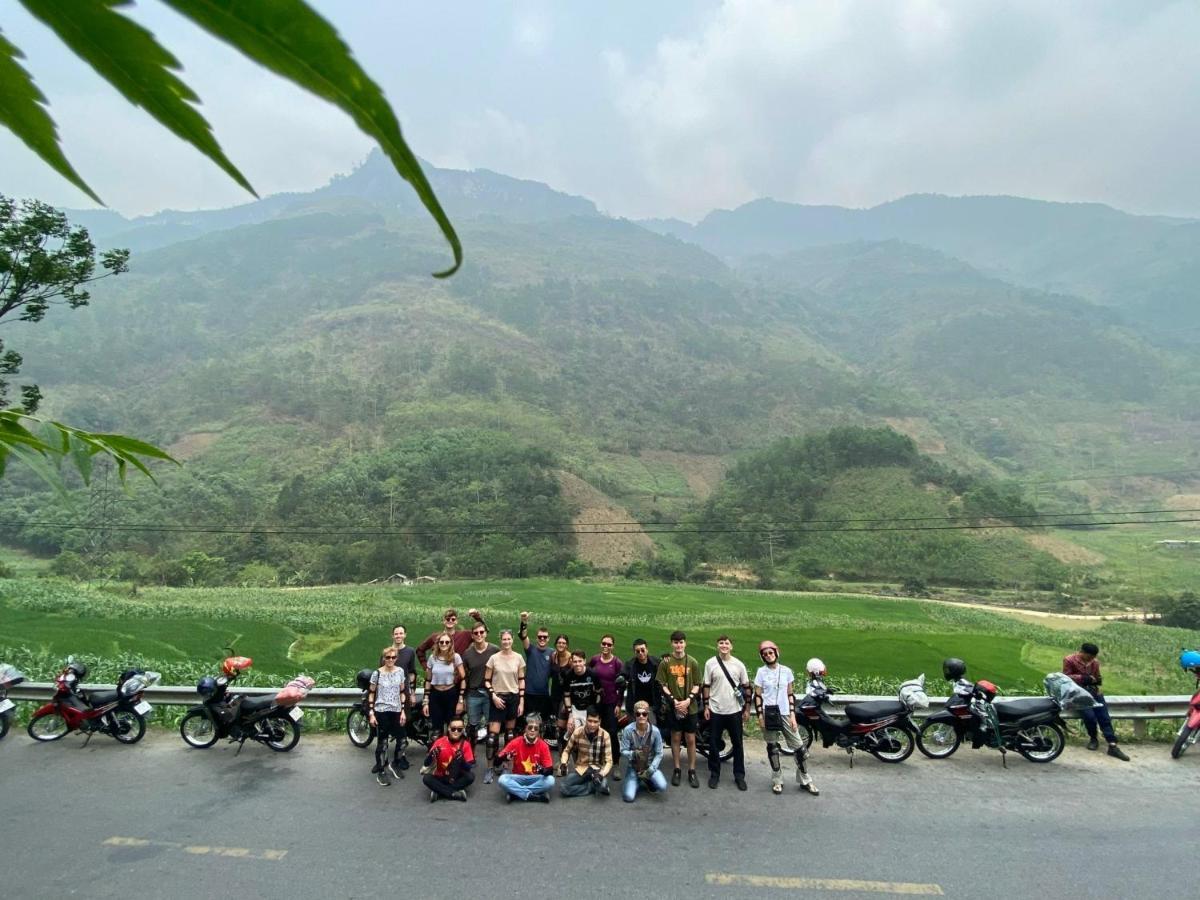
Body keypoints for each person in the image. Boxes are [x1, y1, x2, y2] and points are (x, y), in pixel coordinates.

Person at [753, 640, 818, 796]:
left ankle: (805, 779)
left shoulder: (787, 671)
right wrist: (760, 717)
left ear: (776, 652)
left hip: (784, 713)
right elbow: (758, 695)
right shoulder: (761, 672)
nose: (768, 656)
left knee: (800, 748)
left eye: (771, 652)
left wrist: (793, 716)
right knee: (772, 747)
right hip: (768, 714)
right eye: (765, 654)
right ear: (762, 657)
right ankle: (777, 780)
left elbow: (790, 694)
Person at [1063, 641, 1130, 761]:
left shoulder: (1095, 663)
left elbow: (1097, 676)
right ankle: (1093, 738)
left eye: (1093, 657)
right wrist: (1084, 678)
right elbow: (1066, 677)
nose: (1091, 660)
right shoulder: (1069, 660)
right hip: (1078, 694)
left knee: (1104, 717)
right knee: (1089, 717)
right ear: (1082, 652)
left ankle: (1112, 744)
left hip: (1094, 692)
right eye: (1089, 657)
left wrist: (1097, 681)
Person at [702, 635, 751, 791]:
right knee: (714, 744)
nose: (724, 645)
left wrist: (747, 709)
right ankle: (714, 774)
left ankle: (739, 776)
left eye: (726, 643)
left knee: (737, 744)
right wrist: (706, 706)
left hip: (734, 710)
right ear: (717, 646)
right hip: (716, 709)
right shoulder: (710, 663)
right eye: (721, 643)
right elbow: (706, 686)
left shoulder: (739, 665)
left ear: (731, 646)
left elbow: (747, 687)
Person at [656, 630, 703, 788]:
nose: (678, 645)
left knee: (690, 739)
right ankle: (677, 769)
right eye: (676, 642)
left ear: (685, 643)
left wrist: (688, 700)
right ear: (672, 644)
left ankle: (691, 770)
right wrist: (674, 701)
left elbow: (698, 683)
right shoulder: (666, 663)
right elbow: (662, 684)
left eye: (681, 642)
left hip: (690, 707)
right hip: (673, 707)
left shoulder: (692, 662)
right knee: (675, 738)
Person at [482, 629, 526, 784]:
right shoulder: (494, 658)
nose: (506, 642)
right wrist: (493, 695)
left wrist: (521, 701)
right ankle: (490, 767)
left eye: (509, 639)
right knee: (492, 738)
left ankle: (506, 765)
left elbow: (521, 680)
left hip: (513, 698)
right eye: (504, 639)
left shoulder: (518, 658)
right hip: (497, 698)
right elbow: (486, 680)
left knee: (510, 735)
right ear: (500, 641)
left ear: (512, 640)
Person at [367, 646, 408, 786]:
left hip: (396, 709)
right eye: (387, 657)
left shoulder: (400, 672)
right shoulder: (377, 674)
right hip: (381, 710)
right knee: (383, 743)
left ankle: (395, 763)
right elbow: (371, 693)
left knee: (402, 740)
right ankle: (381, 770)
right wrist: (371, 713)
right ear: (383, 658)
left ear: (396, 658)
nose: (390, 660)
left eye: (393, 657)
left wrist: (403, 711)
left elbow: (402, 691)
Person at [496, 713, 555, 803]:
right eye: (530, 727)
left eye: (536, 728)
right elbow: (496, 763)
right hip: (518, 777)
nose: (532, 730)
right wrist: (505, 758)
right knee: (502, 779)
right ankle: (533, 796)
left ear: (539, 731)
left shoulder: (543, 745)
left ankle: (516, 793)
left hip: (535, 778)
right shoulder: (516, 742)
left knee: (551, 780)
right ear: (525, 729)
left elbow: (550, 771)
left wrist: (543, 770)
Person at [589, 634, 625, 779]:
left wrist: (618, 704)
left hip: (611, 702)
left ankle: (615, 764)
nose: (606, 646)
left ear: (613, 647)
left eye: (609, 645)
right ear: (600, 644)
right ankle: (597, 761)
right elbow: (587, 674)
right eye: (604, 643)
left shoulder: (617, 663)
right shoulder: (595, 660)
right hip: (597, 702)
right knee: (595, 731)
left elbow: (622, 685)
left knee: (612, 732)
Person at [619, 700, 667, 802]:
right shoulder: (628, 730)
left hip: (649, 765)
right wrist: (633, 754)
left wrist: (652, 769)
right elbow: (623, 750)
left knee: (662, 786)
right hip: (634, 767)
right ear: (635, 715)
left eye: (644, 714)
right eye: (638, 714)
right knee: (628, 797)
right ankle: (636, 781)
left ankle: (647, 780)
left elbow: (659, 753)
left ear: (647, 715)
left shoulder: (655, 731)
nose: (641, 716)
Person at [461, 622, 498, 754]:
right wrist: (463, 697)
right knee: (472, 726)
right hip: (473, 693)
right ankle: (471, 754)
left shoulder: (494, 650)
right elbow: (464, 676)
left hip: (490, 694)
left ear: (486, 633)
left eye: (481, 632)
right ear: (472, 635)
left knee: (492, 726)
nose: (479, 635)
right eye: (476, 633)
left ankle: (492, 756)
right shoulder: (467, 654)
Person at [558, 707, 612, 797]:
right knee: (563, 787)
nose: (592, 724)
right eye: (590, 721)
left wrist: (601, 774)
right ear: (586, 719)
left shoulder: (605, 735)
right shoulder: (578, 732)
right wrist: (563, 763)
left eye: (595, 722)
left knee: (602, 786)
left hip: (597, 771)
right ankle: (591, 787)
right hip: (582, 769)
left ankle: (597, 784)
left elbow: (609, 761)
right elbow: (567, 751)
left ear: (600, 722)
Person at [422, 716, 475, 802]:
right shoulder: (439, 742)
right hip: (440, 776)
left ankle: (440, 791)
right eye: (453, 729)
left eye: (459, 729)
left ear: (463, 730)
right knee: (426, 778)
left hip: (456, 777)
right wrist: (431, 755)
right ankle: (453, 793)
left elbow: (469, 768)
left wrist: (463, 761)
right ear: (449, 729)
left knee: (470, 777)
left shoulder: (466, 744)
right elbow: (426, 764)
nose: (456, 732)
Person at [415, 607, 486, 669]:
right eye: (447, 619)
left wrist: (477, 617)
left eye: (453, 619)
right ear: (444, 621)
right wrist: (426, 667)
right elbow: (419, 650)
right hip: (439, 678)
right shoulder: (435, 637)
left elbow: (482, 630)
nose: (450, 621)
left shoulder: (465, 635)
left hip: (459, 677)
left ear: (456, 621)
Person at [519, 613, 557, 727]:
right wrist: (524, 622)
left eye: (544, 637)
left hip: (543, 694)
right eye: (540, 636)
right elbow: (523, 636)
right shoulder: (530, 649)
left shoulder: (552, 653)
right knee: (527, 722)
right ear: (537, 638)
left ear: (548, 638)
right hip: (529, 693)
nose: (542, 639)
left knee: (541, 723)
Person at [423, 635, 464, 736]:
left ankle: (452, 750)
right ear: (438, 643)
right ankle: (437, 749)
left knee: (452, 726)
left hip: (451, 693)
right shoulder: (432, 658)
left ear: (451, 643)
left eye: (447, 642)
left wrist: (461, 700)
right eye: (441, 642)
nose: (444, 644)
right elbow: (428, 679)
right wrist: (426, 700)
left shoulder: (456, 657)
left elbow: (463, 678)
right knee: (436, 728)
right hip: (436, 694)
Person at [389, 625, 417, 770]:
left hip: (403, 693)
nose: (398, 636)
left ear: (405, 635)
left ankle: (402, 754)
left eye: (401, 633)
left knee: (403, 722)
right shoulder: (388, 652)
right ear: (392, 636)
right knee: (392, 723)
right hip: (389, 694)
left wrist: (412, 693)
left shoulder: (410, 651)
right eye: (396, 633)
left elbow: (412, 673)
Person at [560, 649, 600, 738]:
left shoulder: (592, 674)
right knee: (573, 730)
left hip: (589, 708)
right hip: (575, 708)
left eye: (580, 661)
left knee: (590, 733)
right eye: (575, 661)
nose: (577, 664)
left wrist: (595, 709)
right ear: (572, 662)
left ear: (584, 661)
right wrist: (570, 714)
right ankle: (569, 748)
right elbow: (566, 695)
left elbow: (598, 693)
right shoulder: (568, 675)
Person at [624, 638, 660, 726]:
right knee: (634, 731)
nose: (640, 653)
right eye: (637, 651)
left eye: (643, 650)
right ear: (634, 652)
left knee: (652, 728)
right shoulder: (630, 665)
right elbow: (622, 675)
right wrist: (621, 678)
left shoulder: (656, 663)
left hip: (651, 704)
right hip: (635, 705)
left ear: (647, 650)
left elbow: (665, 672)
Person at [550, 635, 573, 733]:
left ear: (567, 645)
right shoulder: (553, 656)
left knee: (561, 723)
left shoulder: (571, 659)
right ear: (556, 644)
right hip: (555, 693)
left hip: (566, 695)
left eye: (563, 643)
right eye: (559, 643)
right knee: (555, 720)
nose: (561, 645)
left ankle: (564, 745)